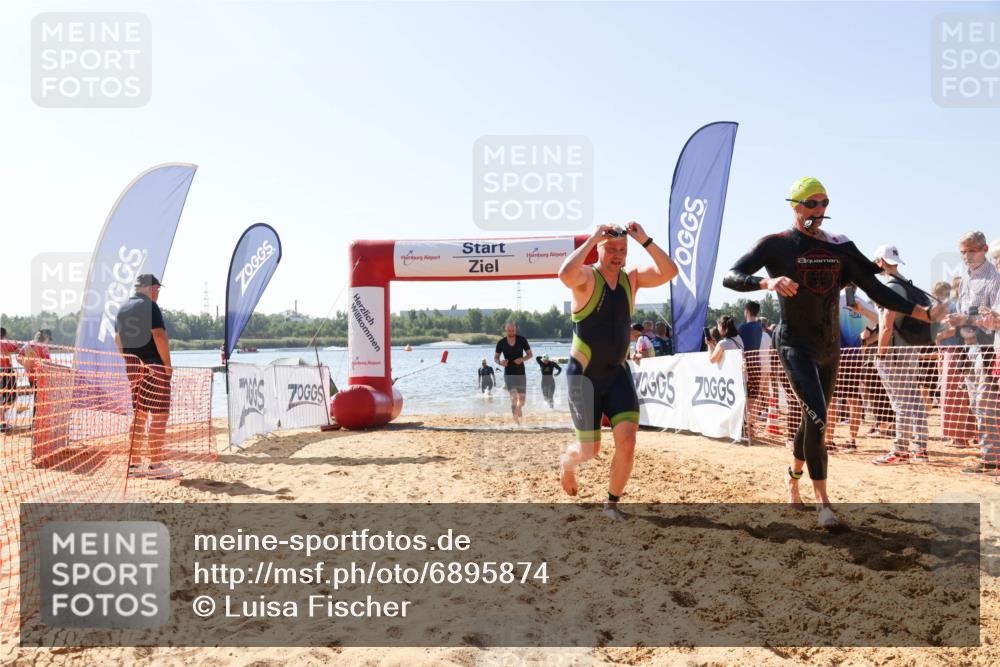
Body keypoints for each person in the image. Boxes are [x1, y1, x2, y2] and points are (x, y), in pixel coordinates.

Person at [722, 177, 945, 528]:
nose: (819, 210)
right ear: (795, 205)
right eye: (811, 203)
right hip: (794, 343)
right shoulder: (777, 244)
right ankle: (823, 502)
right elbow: (731, 277)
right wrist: (767, 282)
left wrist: (924, 313)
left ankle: (792, 478)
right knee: (820, 417)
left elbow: (875, 289)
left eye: (824, 203)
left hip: (829, 347)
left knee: (815, 419)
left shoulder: (840, 247)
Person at [557, 221, 678, 519]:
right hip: (584, 376)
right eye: (610, 248)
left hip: (617, 374)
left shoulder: (631, 278)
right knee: (589, 452)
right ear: (599, 249)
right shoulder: (587, 277)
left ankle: (611, 504)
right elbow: (564, 274)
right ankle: (566, 464)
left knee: (628, 441)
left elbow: (669, 272)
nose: (617, 255)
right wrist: (591, 238)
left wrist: (645, 240)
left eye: (622, 250)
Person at [866, 246, 934, 464]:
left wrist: (880, 354)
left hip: (894, 352)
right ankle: (920, 449)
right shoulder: (905, 283)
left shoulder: (889, 288)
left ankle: (900, 450)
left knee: (900, 402)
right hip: (910, 349)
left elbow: (886, 326)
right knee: (914, 399)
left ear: (880, 263)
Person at [944, 231, 1000, 475]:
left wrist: (965, 318)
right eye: (963, 252)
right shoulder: (965, 278)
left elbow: (993, 320)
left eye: (971, 251)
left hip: (987, 347)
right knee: (976, 403)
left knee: (986, 402)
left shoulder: (994, 277)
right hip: (968, 347)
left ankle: (991, 458)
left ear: (985, 249)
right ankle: (988, 454)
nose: (966, 256)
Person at [115, 274, 181, 480]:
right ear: (151, 288)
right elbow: (159, 334)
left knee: (139, 414)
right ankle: (156, 465)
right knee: (160, 415)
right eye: (157, 289)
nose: (158, 293)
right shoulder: (150, 306)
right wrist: (167, 365)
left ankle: (134, 466)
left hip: (133, 366)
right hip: (154, 365)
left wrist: (129, 360)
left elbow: (118, 339)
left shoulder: (123, 308)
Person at [832, 288, 877, 451]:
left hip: (836, 355)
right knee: (853, 398)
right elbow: (877, 324)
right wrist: (864, 341)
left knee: (832, 399)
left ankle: (829, 440)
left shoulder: (835, 299)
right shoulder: (863, 303)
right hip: (855, 356)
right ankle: (852, 440)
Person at [932, 281, 976, 449]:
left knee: (954, 396)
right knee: (956, 395)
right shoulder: (953, 306)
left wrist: (937, 337)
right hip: (951, 352)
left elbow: (952, 331)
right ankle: (962, 436)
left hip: (954, 352)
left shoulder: (952, 307)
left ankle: (960, 437)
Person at [494, 322, 532, 425]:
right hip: (509, 374)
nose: (512, 332)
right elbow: (496, 358)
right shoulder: (501, 343)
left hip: (521, 373)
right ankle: (516, 419)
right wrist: (501, 363)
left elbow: (530, 354)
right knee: (514, 396)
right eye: (509, 331)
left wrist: (522, 359)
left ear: (516, 330)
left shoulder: (522, 340)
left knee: (522, 401)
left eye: (513, 330)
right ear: (506, 330)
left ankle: (519, 407)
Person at [17, 329, 53, 425]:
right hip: (41, 377)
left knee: (37, 399)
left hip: (31, 376)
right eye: (48, 339)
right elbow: (48, 362)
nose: (48, 341)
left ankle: (35, 422)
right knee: (41, 400)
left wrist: (27, 366)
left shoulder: (27, 344)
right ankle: (36, 423)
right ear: (46, 338)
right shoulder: (43, 347)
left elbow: (18, 358)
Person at [0, 328, 19, 434]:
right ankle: (3, 422)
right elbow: (18, 350)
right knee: (10, 397)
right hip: (6, 372)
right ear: (4, 334)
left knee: (3, 399)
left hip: (4, 371)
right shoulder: (6, 343)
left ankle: (3, 422)